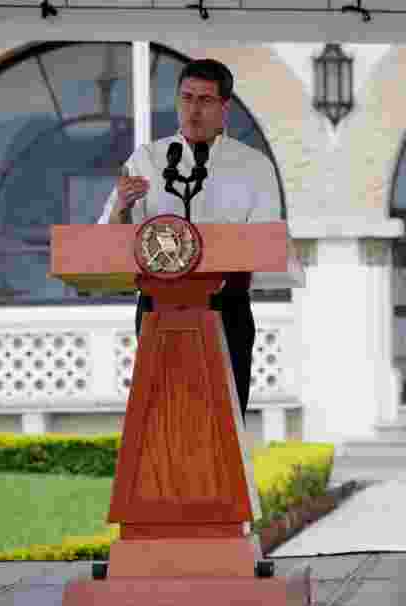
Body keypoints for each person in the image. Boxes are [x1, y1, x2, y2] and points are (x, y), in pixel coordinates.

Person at [98, 58, 281, 420]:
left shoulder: (254, 165)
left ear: (224, 107)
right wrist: (121, 206)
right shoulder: (147, 159)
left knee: (223, 420)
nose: (193, 109)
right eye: (186, 98)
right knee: (165, 420)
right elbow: (109, 242)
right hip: (158, 307)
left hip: (225, 308)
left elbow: (265, 242)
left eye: (205, 100)